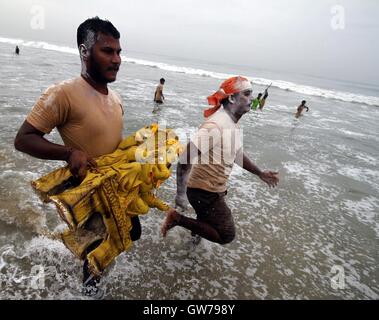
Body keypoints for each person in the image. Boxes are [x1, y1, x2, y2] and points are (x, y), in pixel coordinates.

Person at [13, 17, 137, 298]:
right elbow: (23, 139)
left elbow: (112, 144)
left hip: (116, 186)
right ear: (85, 51)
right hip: (88, 189)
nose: (117, 59)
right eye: (108, 51)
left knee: (130, 233)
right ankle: (89, 294)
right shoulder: (63, 93)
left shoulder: (115, 97)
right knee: (97, 251)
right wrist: (68, 152)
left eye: (119, 52)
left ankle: (74, 252)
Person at [161, 76, 279, 245]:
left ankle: (192, 249)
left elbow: (236, 154)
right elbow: (185, 159)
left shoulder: (231, 122)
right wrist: (180, 194)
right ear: (231, 98)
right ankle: (176, 218)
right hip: (204, 192)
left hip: (213, 189)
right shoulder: (215, 125)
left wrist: (259, 173)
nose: (252, 98)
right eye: (247, 93)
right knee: (226, 235)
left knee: (204, 222)